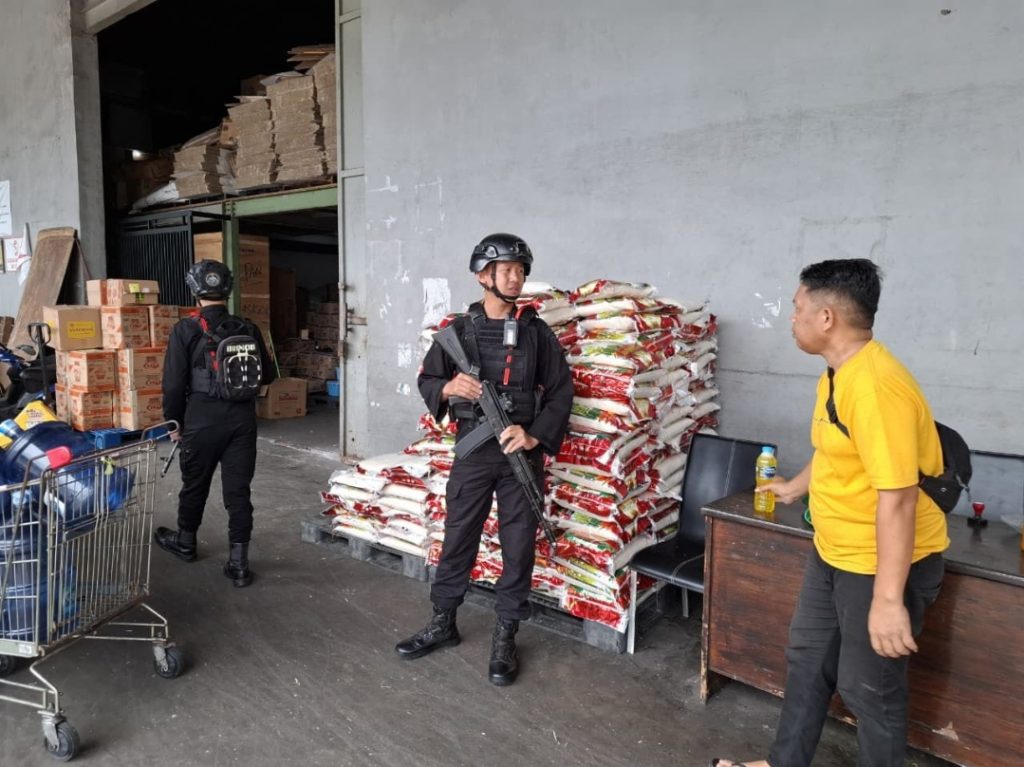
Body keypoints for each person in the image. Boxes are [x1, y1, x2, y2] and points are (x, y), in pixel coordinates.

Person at [712, 259, 948, 767]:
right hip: (834, 548)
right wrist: (796, 486)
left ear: (826, 318)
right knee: (807, 660)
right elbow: (836, 446)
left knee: (870, 690)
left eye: (797, 308)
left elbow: (899, 498)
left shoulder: (876, 387)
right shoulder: (839, 372)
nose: (791, 317)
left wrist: (888, 599)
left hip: (878, 562)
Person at [395, 233, 573, 686]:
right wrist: (448, 388)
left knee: (518, 546)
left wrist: (533, 436)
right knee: (458, 538)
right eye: (506, 270)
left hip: (518, 456)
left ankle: (506, 635)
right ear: (483, 276)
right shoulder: (458, 332)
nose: (515, 278)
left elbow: (561, 392)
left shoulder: (537, 333)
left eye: (520, 271)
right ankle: (443, 622)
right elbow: (428, 378)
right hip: (473, 452)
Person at [155, 259, 275, 588]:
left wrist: (174, 423)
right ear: (228, 289)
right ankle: (239, 564)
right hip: (242, 420)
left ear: (194, 290)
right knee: (238, 490)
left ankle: (186, 542)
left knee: (194, 483)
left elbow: (174, 385)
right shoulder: (248, 328)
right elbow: (268, 375)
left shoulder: (185, 329)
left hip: (201, 418)